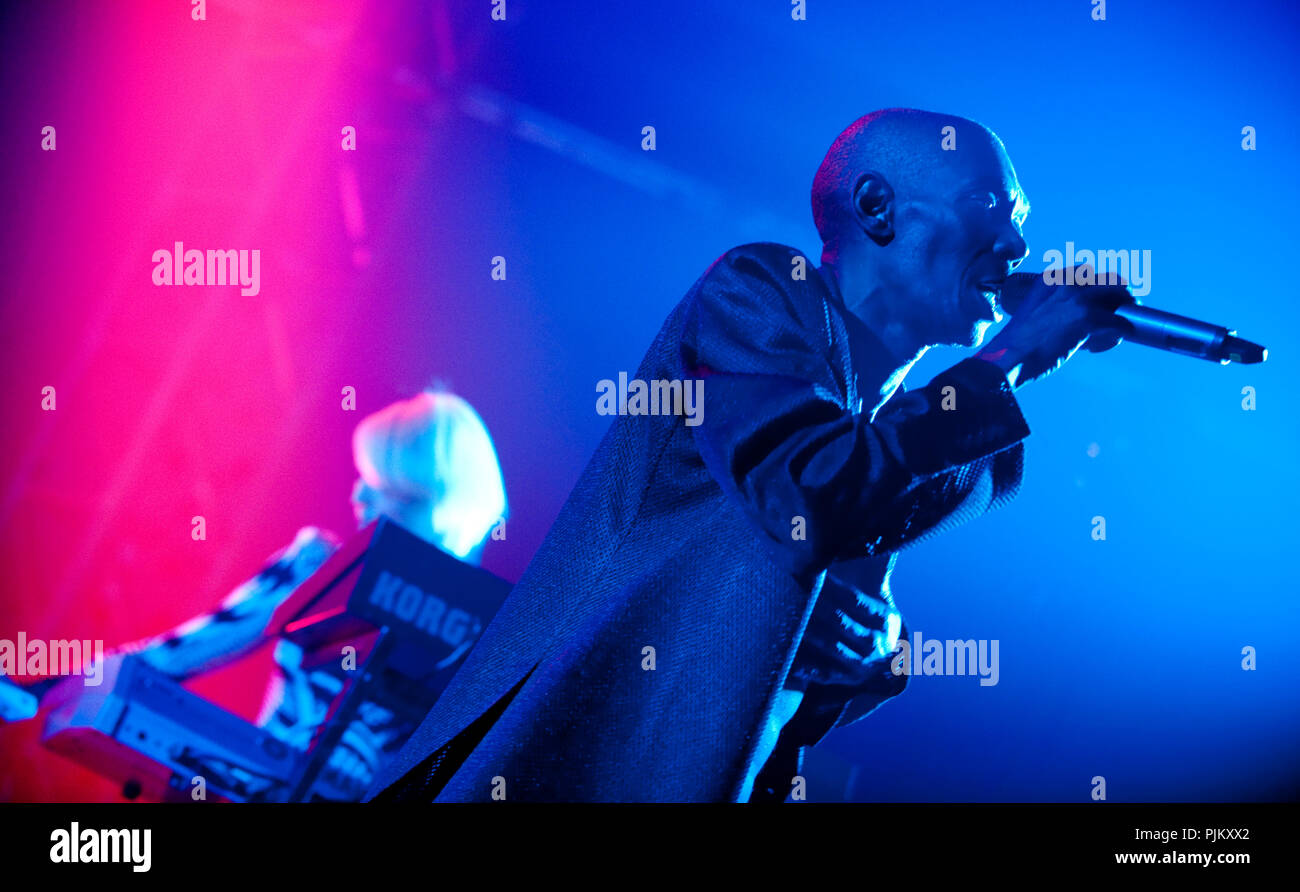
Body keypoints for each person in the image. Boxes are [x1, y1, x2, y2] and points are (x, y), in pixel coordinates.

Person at [368, 108, 1131, 803]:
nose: (1020, 247)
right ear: (877, 208)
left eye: (1023, 222)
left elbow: (837, 552)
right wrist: (1010, 358)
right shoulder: (761, 289)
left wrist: (875, 652)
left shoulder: (878, 428)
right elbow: (815, 492)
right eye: (990, 209)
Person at [114, 389, 507, 800]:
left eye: (381, 486)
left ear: (436, 506)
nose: (358, 496)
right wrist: (84, 679)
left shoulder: (485, 641)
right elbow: (178, 652)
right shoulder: (317, 566)